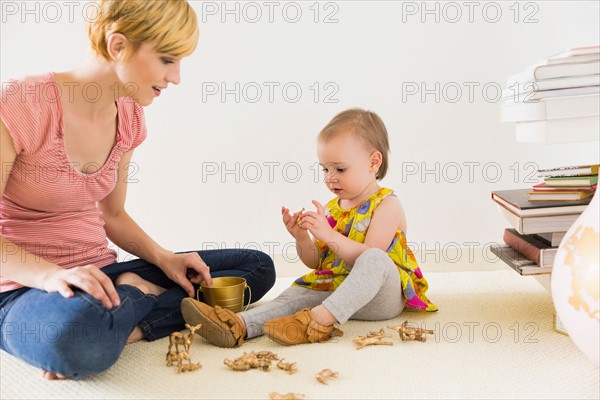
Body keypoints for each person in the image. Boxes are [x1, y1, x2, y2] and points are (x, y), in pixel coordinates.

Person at [0, 0, 275, 380]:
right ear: (117, 46)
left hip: (104, 272)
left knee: (256, 267)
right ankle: (136, 302)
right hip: (21, 287)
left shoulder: (129, 115)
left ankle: (127, 317)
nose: (176, 77)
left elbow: (112, 216)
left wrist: (165, 259)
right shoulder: (20, 102)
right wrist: (50, 276)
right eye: (167, 59)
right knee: (73, 337)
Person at [181, 108, 437, 348]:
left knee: (375, 259)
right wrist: (303, 238)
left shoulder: (387, 204)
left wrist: (328, 233)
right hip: (338, 293)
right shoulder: (333, 208)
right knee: (295, 295)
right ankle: (238, 326)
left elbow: (367, 257)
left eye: (340, 168)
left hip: (379, 299)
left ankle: (317, 323)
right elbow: (317, 263)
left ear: (373, 162)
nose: (329, 177)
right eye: (325, 168)